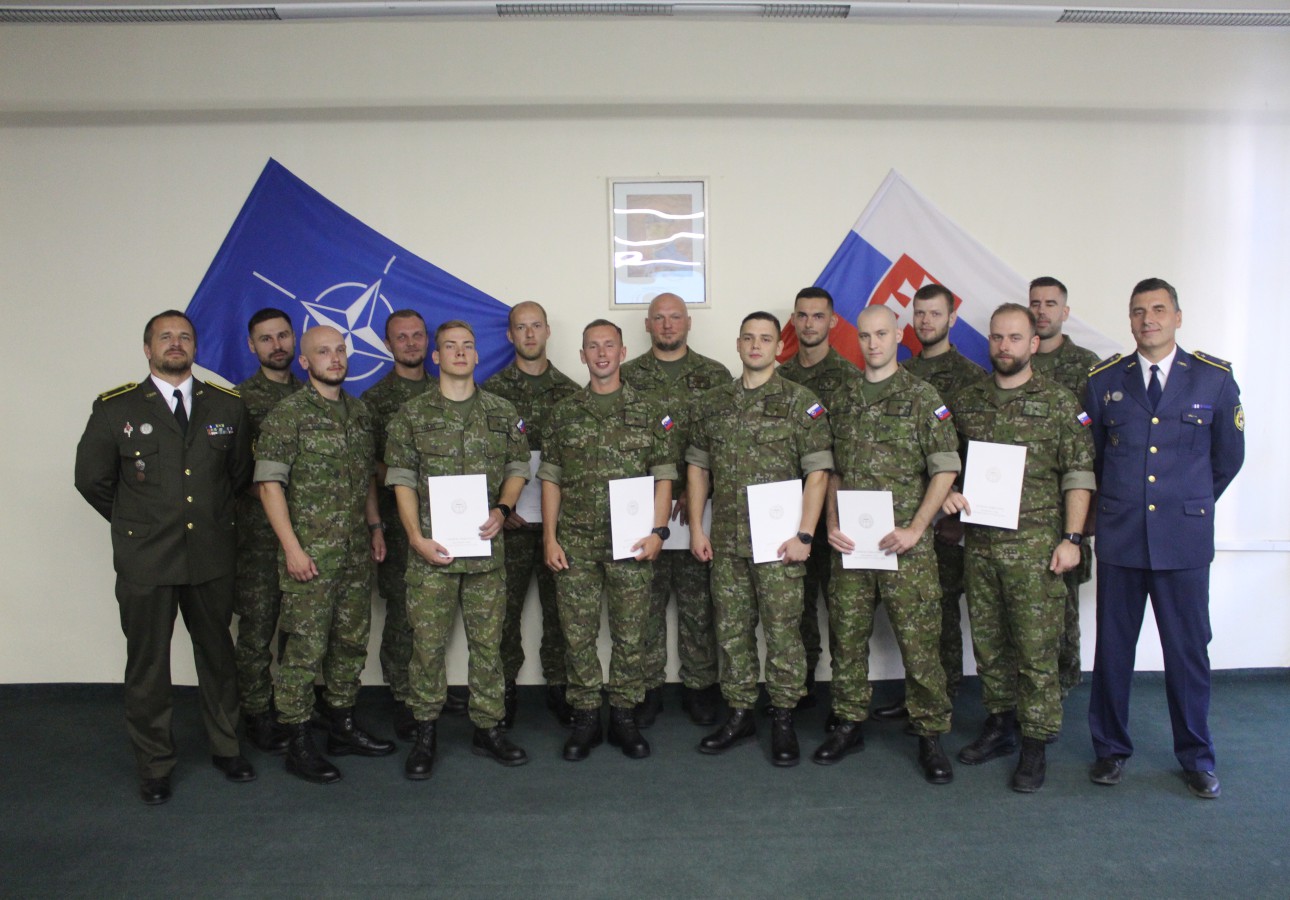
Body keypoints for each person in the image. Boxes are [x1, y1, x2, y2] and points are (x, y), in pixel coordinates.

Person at [75, 310, 254, 805]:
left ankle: (226, 746)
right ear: (147, 349)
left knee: (218, 656)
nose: (176, 344)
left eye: (185, 337)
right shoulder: (116, 408)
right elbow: (91, 479)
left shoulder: (227, 405)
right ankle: (154, 764)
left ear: (196, 347)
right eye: (165, 337)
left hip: (210, 554)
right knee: (148, 665)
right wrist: (139, 523)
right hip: (147, 559)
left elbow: (238, 477)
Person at [1085, 278, 1244, 799]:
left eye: (1158, 309)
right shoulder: (1105, 380)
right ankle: (1110, 750)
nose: (1147, 319)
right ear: (1130, 320)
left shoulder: (1214, 379)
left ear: (1178, 317)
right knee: (1113, 651)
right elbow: (1095, 459)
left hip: (1183, 541)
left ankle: (1196, 757)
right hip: (1122, 537)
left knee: (1188, 652)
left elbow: (1228, 458)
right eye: (1138, 311)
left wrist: (1187, 503)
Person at [942, 303, 1094, 792]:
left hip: (1036, 551)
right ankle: (1000, 724)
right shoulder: (967, 401)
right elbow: (944, 462)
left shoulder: (1059, 402)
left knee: (1035, 650)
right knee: (989, 646)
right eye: (997, 337)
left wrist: (1072, 539)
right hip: (981, 547)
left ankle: (1035, 742)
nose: (1004, 346)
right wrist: (947, 491)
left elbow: (1079, 475)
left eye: (1014, 338)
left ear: (1033, 343)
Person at [816, 306, 960, 783]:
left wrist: (917, 528)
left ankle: (930, 734)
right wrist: (831, 521)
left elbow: (945, 468)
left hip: (904, 545)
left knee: (919, 645)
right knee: (847, 639)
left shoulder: (922, 397)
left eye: (882, 334)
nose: (873, 343)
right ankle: (848, 722)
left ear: (899, 335)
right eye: (865, 336)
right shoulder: (843, 397)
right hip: (853, 545)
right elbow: (833, 471)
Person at [385, 320, 533, 779]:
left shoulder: (502, 411)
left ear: (477, 354)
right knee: (427, 647)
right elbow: (401, 480)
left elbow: (518, 465)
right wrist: (415, 538)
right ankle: (425, 731)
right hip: (433, 552)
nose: (460, 352)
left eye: (468, 345)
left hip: (486, 552)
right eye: (450, 346)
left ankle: (487, 728)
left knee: (488, 645)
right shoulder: (412, 415)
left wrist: (504, 507)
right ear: (436, 356)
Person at [687, 312, 833, 767]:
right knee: (731, 631)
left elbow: (817, 473)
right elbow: (698, 468)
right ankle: (740, 713)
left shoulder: (800, 402)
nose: (756, 345)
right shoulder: (713, 403)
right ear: (737, 344)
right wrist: (697, 527)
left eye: (765, 339)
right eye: (748, 338)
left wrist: (805, 534)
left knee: (783, 630)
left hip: (780, 543)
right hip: (728, 540)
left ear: (778, 347)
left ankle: (784, 716)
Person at [256, 325, 395, 785]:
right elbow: (269, 486)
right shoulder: (288, 415)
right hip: (310, 556)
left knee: (350, 642)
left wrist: (375, 526)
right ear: (304, 361)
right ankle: (297, 741)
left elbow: (366, 478)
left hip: (353, 552)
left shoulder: (359, 413)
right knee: (304, 649)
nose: (334, 358)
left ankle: (342, 726)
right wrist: (292, 549)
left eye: (339, 350)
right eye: (322, 352)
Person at [539, 320, 676, 761]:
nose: (601, 354)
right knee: (577, 635)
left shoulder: (650, 411)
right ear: (582, 356)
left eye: (609, 346)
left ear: (622, 352)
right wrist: (549, 538)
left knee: (631, 634)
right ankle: (585, 717)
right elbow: (551, 479)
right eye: (593, 347)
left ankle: (623, 715)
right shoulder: (563, 413)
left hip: (631, 544)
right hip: (575, 544)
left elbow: (664, 476)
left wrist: (658, 532)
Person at [620, 292, 732, 728]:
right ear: (647, 325)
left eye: (675, 317)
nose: (667, 325)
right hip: (641, 512)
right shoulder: (627, 376)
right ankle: (648, 688)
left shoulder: (715, 375)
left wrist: (697, 491)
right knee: (644, 605)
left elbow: (726, 444)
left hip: (696, 514)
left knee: (698, 604)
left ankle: (699, 687)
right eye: (659, 318)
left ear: (689, 323)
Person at [877, 284, 986, 723]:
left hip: (954, 513)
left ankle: (945, 696)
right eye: (919, 313)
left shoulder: (972, 377)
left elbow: (980, 446)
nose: (925, 321)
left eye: (935, 314)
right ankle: (918, 696)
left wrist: (957, 495)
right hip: (910, 510)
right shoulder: (900, 373)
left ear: (952, 318)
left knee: (943, 607)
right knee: (918, 612)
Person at [363, 309, 463, 741]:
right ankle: (404, 695)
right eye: (401, 337)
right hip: (400, 524)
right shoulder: (374, 400)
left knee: (438, 613)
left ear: (429, 343)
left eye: (417, 335)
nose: (410, 343)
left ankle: (430, 689)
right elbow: (368, 464)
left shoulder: (448, 389)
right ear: (388, 345)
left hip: (450, 522)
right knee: (405, 613)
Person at [482, 301, 580, 730]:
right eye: (520, 327)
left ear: (547, 331)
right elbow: (481, 457)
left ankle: (559, 686)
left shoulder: (572, 393)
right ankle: (503, 689)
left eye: (536, 326)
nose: (529, 334)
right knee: (503, 613)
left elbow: (578, 462)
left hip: (560, 527)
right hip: (509, 527)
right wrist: (500, 505)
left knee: (563, 612)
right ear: (510, 335)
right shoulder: (490, 393)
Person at [775, 287, 861, 710]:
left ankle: (844, 702)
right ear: (793, 321)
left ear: (833, 322)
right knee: (797, 606)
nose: (809, 323)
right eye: (802, 316)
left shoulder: (850, 379)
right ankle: (801, 686)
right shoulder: (780, 378)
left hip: (839, 514)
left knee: (844, 612)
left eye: (818, 316)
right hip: (789, 513)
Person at [233, 308, 303, 755]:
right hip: (258, 536)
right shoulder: (237, 401)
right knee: (257, 627)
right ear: (251, 346)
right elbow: (233, 470)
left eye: (282, 336)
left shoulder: (314, 393)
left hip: (311, 531)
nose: (276, 346)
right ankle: (256, 712)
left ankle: (292, 707)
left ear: (294, 339)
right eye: (266, 339)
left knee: (299, 627)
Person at [1028, 276, 1102, 697]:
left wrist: (1089, 512)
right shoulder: (1014, 358)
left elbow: (1098, 443)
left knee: (1063, 603)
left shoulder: (1088, 366)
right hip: (1021, 508)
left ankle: (1063, 685)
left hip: (1068, 506)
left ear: (1065, 312)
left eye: (1050, 304)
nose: (1042, 311)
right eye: (1035, 303)